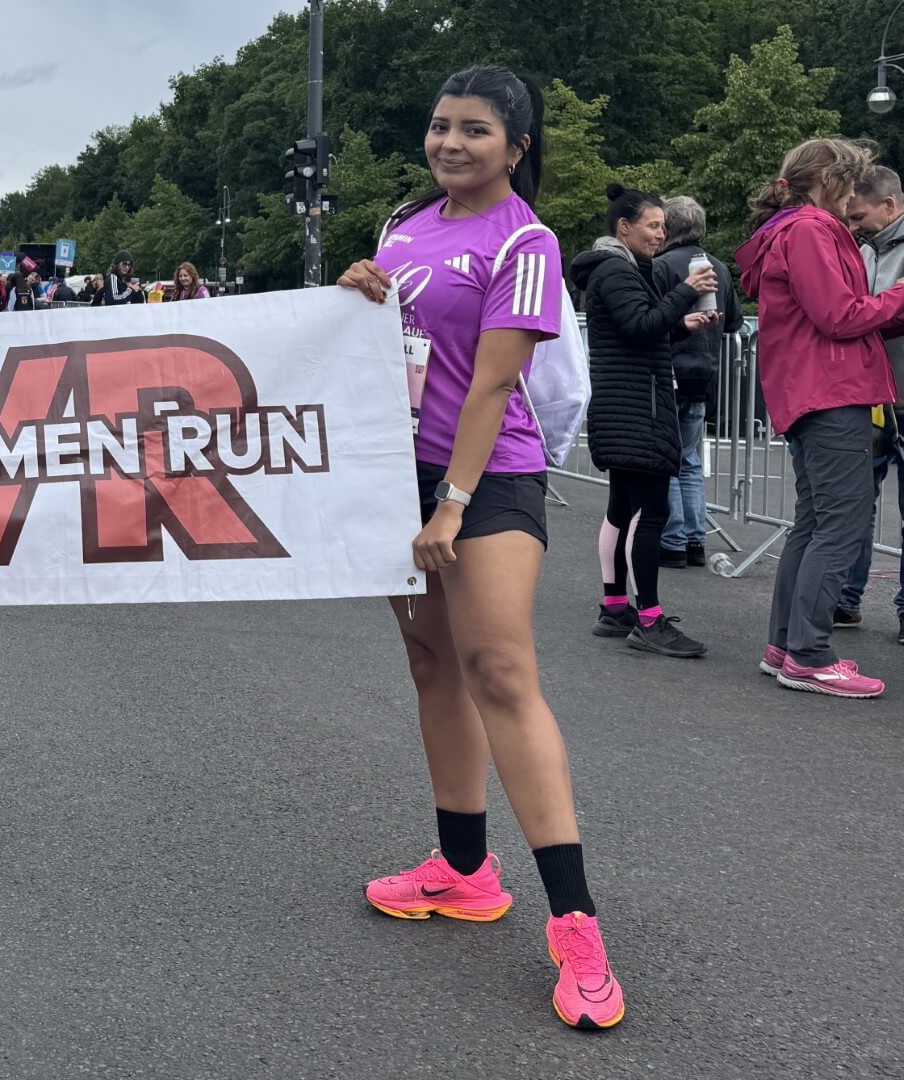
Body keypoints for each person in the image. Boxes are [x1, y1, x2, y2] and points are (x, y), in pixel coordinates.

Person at [338, 65, 626, 1030]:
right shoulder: (403, 229)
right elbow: (382, 345)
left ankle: (577, 924)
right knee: (431, 666)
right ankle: (463, 869)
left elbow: (497, 387)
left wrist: (453, 506)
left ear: (518, 146)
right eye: (439, 127)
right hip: (397, 474)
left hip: (487, 480)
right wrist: (357, 294)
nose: (451, 144)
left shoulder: (528, 240)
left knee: (500, 670)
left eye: (474, 131)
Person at [736, 138, 904, 698]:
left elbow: (834, 315)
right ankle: (807, 654)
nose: (856, 194)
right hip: (831, 392)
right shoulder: (810, 229)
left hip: (811, 391)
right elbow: (839, 315)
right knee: (841, 526)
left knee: (814, 523)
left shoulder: (792, 228)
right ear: (831, 180)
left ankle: (787, 646)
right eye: (852, 183)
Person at [571, 184, 720, 657]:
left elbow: (637, 327)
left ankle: (615, 608)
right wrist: (685, 294)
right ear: (624, 227)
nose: (662, 233)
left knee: (622, 507)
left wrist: (681, 322)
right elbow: (637, 328)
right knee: (650, 512)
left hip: (627, 406)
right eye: (654, 225)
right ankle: (649, 620)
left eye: (663, 225)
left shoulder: (619, 268)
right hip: (637, 409)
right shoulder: (616, 270)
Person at [654, 196, 743, 570]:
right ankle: (694, 540)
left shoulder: (660, 266)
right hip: (705, 374)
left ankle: (672, 540)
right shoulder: (719, 267)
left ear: (668, 228)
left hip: (669, 370)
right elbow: (736, 323)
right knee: (690, 460)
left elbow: (652, 318)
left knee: (666, 460)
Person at [836, 166, 904, 640]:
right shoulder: (858, 246)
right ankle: (845, 597)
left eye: (860, 215)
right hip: (871, 394)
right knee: (858, 502)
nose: (854, 224)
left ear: (891, 206)